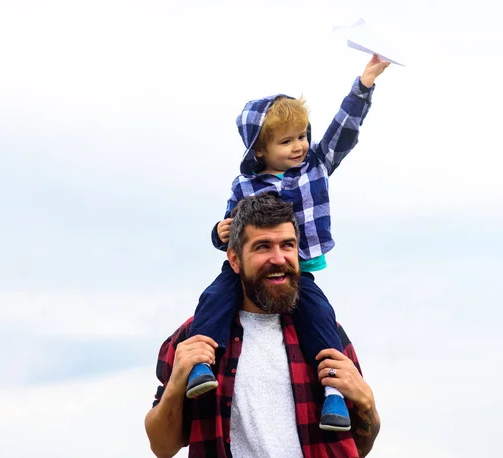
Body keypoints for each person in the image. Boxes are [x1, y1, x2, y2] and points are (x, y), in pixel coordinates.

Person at [185, 55, 390, 431]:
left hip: (301, 271)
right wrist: (218, 232)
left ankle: (333, 396)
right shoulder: (245, 186)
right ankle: (202, 363)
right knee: (214, 299)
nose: (299, 146)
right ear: (259, 150)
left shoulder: (316, 164)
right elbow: (229, 230)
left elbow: (344, 131)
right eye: (286, 141)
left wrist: (365, 84)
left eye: (302, 136)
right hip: (246, 271)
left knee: (320, 317)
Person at [145, 194, 381, 458]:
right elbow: (162, 447)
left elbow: (359, 446)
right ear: (234, 259)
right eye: (263, 247)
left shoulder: (326, 334)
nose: (279, 258)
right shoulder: (196, 337)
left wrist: (366, 401)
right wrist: (177, 384)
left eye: (287, 245)